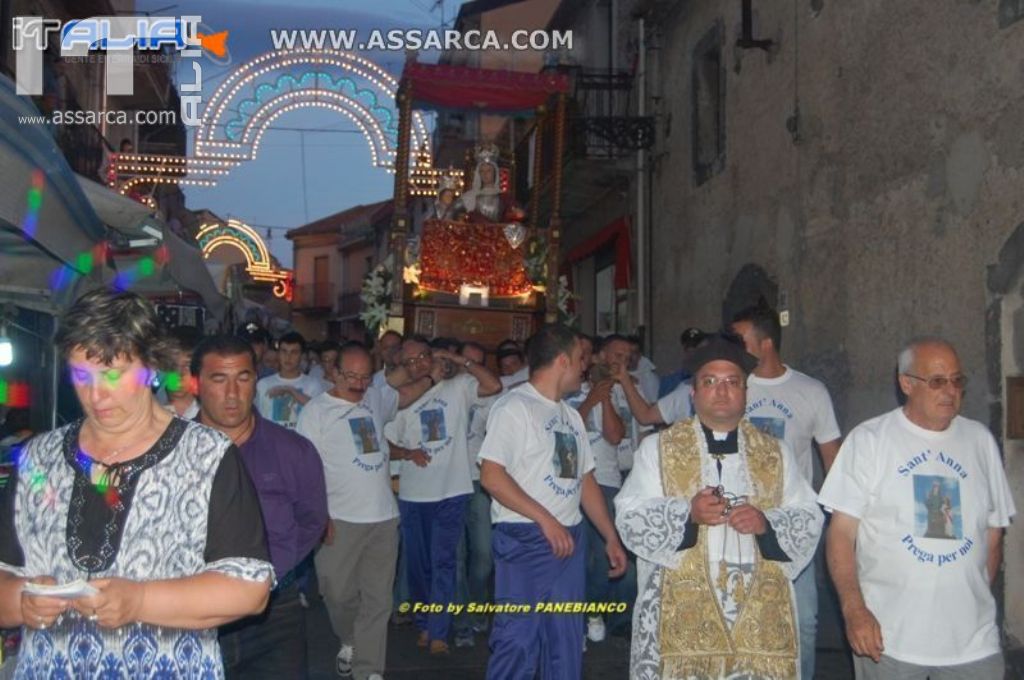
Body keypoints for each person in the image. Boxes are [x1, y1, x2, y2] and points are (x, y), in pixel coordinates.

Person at [0, 289, 273, 676]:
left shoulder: (207, 456)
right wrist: (19, 599)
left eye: (113, 374)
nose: (96, 395)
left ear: (150, 367)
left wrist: (140, 600)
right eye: (81, 375)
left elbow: (250, 588)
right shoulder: (37, 459)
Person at [615, 332, 823, 679]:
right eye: (710, 382)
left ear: (745, 392)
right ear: (693, 393)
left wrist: (766, 524)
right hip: (683, 613)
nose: (722, 391)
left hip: (758, 610)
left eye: (732, 382)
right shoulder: (659, 449)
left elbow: (808, 515)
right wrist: (688, 515)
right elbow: (630, 512)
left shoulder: (775, 453)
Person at [819, 338, 1015, 680]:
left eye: (957, 381)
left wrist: (966, 597)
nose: (950, 391)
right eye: (938, 381)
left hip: (973, 643)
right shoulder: (871, 440)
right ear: (906, 383)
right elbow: (840, 535)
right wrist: (855, 611)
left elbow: (993, 534)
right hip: (890, 639)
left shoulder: (980, 440)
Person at [479, 324, 627, 680]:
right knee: (517, 640)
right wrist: (546, 521)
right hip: (526, 537)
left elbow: (585, 479)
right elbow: (492, 476)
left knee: (564, 640)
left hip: (569, 539)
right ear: (562, 360)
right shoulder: (514, 407)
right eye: (580, 359)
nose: (584, 368)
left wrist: (609, 535)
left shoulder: (570, 415)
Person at [193, 334, 328, 679]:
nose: (233, 393)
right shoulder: (173, 455)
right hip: (193, 611)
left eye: (243, 378)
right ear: (197, 384)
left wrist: (271, 573)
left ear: (257, 380)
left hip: (274, 615)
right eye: (219, 379)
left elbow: (312, 521)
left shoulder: (294, 451)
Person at [731, 303, 842, 679]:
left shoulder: (810, 391)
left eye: (739, 340)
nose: (732, 347)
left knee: (805, 619)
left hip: (792, 520)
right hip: (740, 517)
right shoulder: (731, 387)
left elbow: (833, 461)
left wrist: (835, 520)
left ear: (765, 344)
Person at [384, 336, 502, 655]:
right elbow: (384, 442)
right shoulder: (401, 400)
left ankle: (438, 630)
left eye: (424, 356)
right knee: (418, 565)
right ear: (401, 366)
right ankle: (424, 623)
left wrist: (457, 358)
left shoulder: (459, 386)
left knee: (445, 562)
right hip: (413, 494)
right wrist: (407, 453)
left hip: (453, 491)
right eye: (411, 361)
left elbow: (493, 386)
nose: (420, 363)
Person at [298, 343, 398, 680]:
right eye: (350, 376)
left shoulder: (374, 399)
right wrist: (318, 517)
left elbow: (409, 383)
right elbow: (305, 471)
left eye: (365, 377)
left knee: (378, 600)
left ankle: (369, 671)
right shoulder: (316, 412)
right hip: (338, 518)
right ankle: (350, 639)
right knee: (335, 591)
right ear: (334, 373)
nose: (358, 383)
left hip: (383, 518)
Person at [453, 341, 498, 648]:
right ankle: (462, 624)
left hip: (479, 482)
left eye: (476, 362)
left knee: (483, 557)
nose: (469, 366)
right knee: (455, 559)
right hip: (449, 487)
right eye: (464, 360)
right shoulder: (440, 388)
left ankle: (477, 608)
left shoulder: (491, 396)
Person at [255, 331, 325, 430]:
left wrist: (290, 390)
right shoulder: (263, 384)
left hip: (302, 442)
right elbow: (257, 419)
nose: (288, 357)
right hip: (272, 443)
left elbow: (320, 413)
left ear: (301, 355)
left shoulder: (313, 384)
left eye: (294, 352)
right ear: (278, 354)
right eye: (284, 351)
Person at [452, 147, 506, 223]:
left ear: (495, 173)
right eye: (482, 171)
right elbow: (452, 212)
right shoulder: (469, 197)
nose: (485, 174)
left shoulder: (504, 198)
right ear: (478, 174)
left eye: (489, 171)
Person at [160, 326, 201, 419]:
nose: (179, 374)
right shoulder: (150, 408)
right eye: (172, 365)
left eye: (187, 366)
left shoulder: (209, 412)